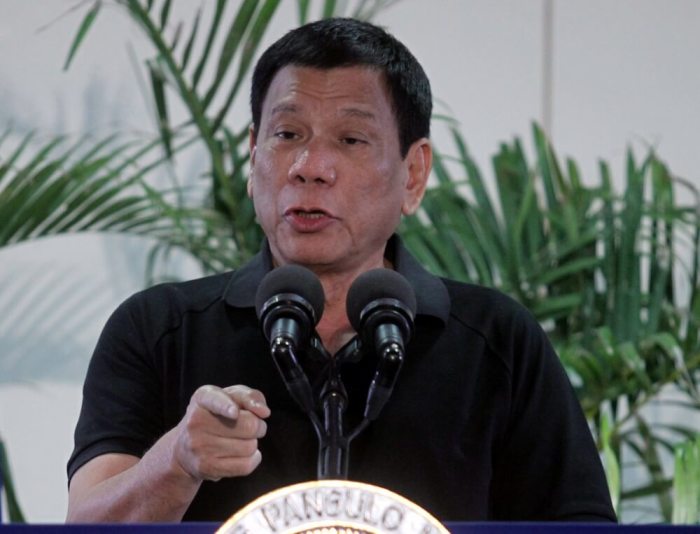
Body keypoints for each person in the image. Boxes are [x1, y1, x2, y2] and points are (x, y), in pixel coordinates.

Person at [66, 17, 616, 523]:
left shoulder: (496, 341)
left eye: (350, 140)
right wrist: (177, 462)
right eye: (287, 135)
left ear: (415, 173)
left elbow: (580, 527)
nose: (310, 168)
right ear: (253, 154)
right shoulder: (158, 329)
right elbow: (84, 526)